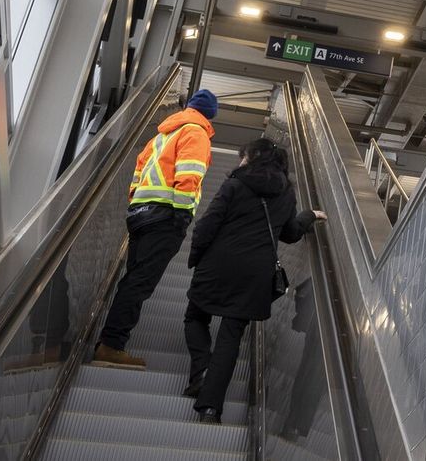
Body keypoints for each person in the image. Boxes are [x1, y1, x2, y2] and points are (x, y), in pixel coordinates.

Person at [183, 136, 322, 423]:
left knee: (195, 316)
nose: (240, 162)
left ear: (255, 157)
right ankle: (210, 408)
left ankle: (202, 370)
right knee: (231, 336)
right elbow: (291, 233)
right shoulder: (286, 194)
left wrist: (195, 256)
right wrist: (309, 216)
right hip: (255, 274)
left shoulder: (235, 184)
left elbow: (207, 225)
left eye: (244, 156)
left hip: (218, 263)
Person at [93, 88, 218, 366]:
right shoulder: (196, 133)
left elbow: (138, 170)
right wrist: (183, 214)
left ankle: (110, 341)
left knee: (134, 279)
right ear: (210, 116)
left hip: (141, 213)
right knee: (141, 283)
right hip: (165, 216)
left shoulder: (162, 135)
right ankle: (111, 345)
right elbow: (189, 176)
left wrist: (135, 204)